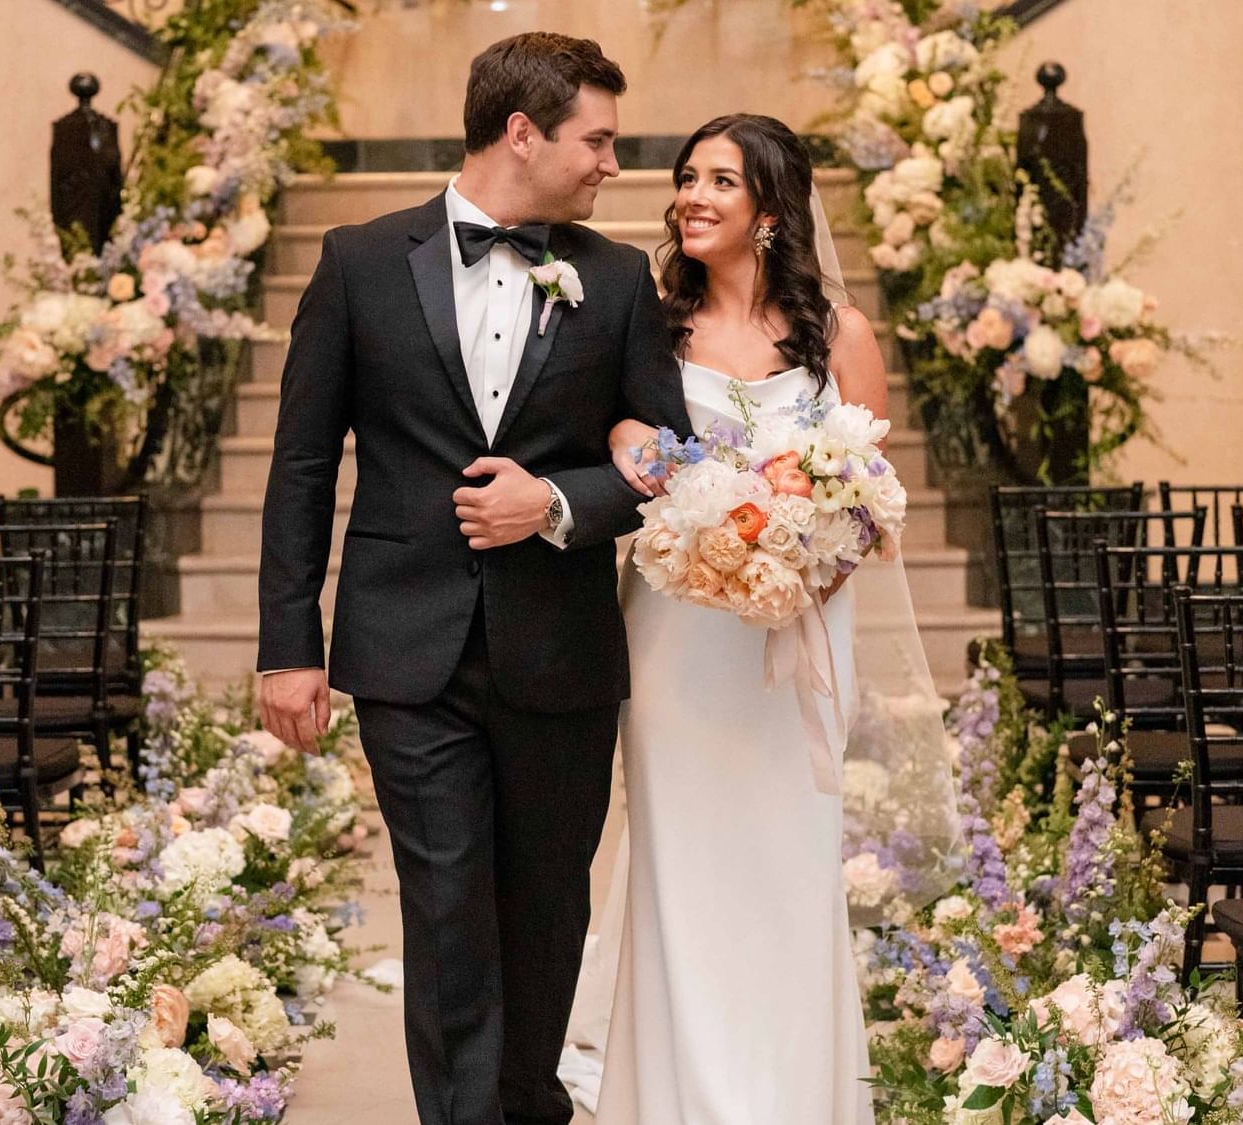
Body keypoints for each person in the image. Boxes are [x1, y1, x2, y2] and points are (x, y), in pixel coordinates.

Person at [255, 33, 693, 1125]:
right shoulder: (358, 261)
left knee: (545, 909)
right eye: (597, 139)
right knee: (447, 910)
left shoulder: (615, 276)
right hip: (410, 649)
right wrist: (286, 645)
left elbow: (669, 462)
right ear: (521, 131)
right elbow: (305, 464)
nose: (611, 164)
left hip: (562, 651)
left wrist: (553, 504)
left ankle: (526, 1104)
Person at [574, 113, 907, 1124]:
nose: (695, 196)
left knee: (787, 859)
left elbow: (875, 498)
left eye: (722, 179)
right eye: (687, 178)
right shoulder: (650, 328)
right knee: (683, 861)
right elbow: (625, 454)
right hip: (675, 639)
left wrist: (796, 576)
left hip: (799, 636)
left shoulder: (840, 336)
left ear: (772, 205)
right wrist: (711, 554)